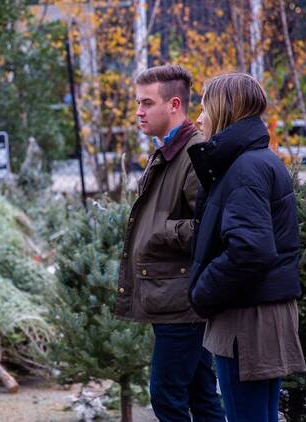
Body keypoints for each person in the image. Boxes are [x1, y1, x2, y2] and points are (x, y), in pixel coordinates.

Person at [188, 72, 306, 422]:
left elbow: (251, 250)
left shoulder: (245, 168)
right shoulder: (256, 160)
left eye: (204, 108)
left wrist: (202, 291)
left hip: (248, 319)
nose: (198, 119)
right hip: (259, 314)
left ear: (224, 110)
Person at [114, 64, 225, 422]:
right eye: (137, 103)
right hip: (171, 296)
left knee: (166, 395)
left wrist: (161, 230)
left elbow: (212, 228)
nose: (138, 111)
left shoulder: (194, 153)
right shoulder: (167, 151)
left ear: (174, 104)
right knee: (201, 395)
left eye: (147, 103)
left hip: (182, 300)